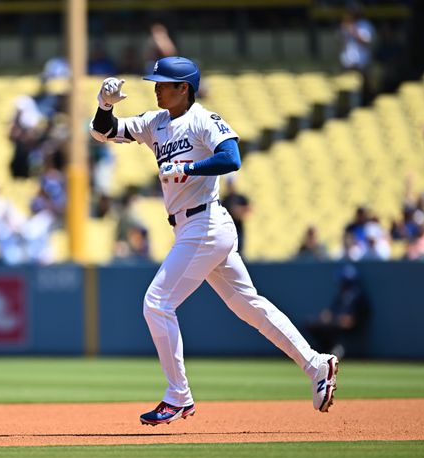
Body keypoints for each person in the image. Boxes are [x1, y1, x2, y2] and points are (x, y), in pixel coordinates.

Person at [89, 56, 339, 425]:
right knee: (249, 306)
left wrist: (188, 167)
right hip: (197, 227)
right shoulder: (155, 122)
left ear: (183, 88)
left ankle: (178, 396)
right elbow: (104, 132)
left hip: (204, 224)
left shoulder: (203, 119)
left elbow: (231, 157)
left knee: (156, 303)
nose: (155, 87)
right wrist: (104, 105)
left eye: (163, 82)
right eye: (155, 81)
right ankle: (316, 364)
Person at [305, 264, 370, 358]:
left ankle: (336, 349)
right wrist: (327, 317)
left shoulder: (358, 296)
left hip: (351, 326)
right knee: (312, 323)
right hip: (337, 322)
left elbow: (351, 320)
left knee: (329, 326)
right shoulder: (341, 295)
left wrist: (334, 319)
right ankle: (330, 349)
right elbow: (330, 311)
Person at [220, 173, 251, 256]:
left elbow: (249, 210)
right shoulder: (224, 199)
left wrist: (238, 211)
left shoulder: (240, 198)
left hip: (238, 230)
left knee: (238, 253)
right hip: (227, 231)